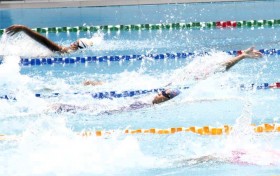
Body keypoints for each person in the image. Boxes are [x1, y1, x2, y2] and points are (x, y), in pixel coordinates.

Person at [49, 47, 263, 113]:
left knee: (99, 107)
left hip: (129, 105)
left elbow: (218, 69)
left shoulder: (146, 102)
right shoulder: (162, 93)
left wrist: (241, 56)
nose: (161, 95)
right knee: (101, 105)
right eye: (164, 95)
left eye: (164, 96)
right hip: (133, 102)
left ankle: (64, 106)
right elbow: (218, 69)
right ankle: (66, 104)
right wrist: (242, 56)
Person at [5, 24, 93, 54]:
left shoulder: (65, 51)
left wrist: (24, 28)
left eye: (75, 43)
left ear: (76, 46)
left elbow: (45, 42)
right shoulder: (68, 52)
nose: (72, 43)